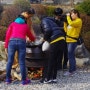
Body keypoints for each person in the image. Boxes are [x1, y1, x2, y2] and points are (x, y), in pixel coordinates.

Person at [4, 8, 36, 85]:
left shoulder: (12, 24)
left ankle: (8, 79)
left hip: (12, 42)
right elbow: (31, 37)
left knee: (9, 61)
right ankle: (24, 81)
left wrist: (6, 46)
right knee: (22, 62)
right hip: (21, 43)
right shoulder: (25, 26)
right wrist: (33, 39)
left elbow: (7, 35)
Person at [40, 8, 66, 83]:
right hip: (62, 39)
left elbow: (48, 30)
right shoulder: (52, 21)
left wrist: (44, 39)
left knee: (51, 60)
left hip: (55, 40)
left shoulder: (44, 20)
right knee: (56, 60)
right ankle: (54, 78)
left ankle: (47, 79)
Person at [64, 9, 82, 76]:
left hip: (73, 41)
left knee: (70, 56)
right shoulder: (72, 21)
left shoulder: (78, 21)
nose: (71, 16)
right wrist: (65, 23)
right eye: (70, 14)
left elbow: (71, 24)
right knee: (71, 56)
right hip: (68, 40)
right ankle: (73, 70)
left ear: (76, 14)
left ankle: (71, 71)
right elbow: (66, 31)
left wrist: (68, 17)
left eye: (72, 14)